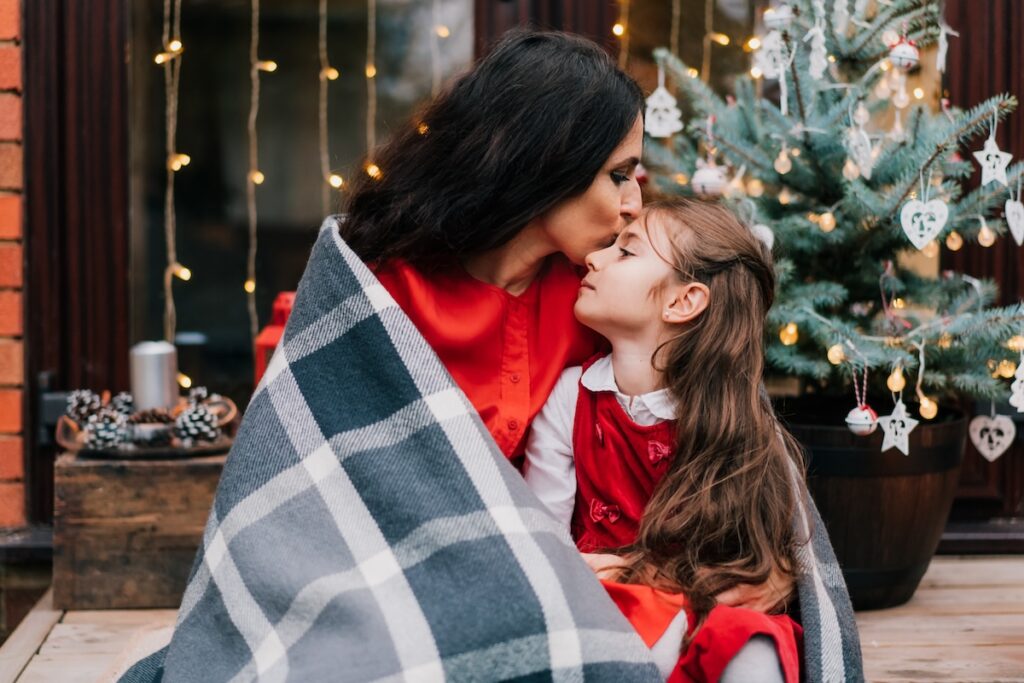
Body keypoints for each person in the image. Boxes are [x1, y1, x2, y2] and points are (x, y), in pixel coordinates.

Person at [523, 198, 805, 682]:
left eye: (625, 251)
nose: (593, 258)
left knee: (753, 638)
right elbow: (542, 540)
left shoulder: (733, 415)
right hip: (605, 596)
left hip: (708, 600)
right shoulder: (571, 397)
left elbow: (766, 556)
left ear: (682, 301)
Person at [340, 29, 643, 465]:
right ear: (548, 162)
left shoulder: (600, 299)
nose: (635, 204)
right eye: (619, 175)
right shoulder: (383, 292)